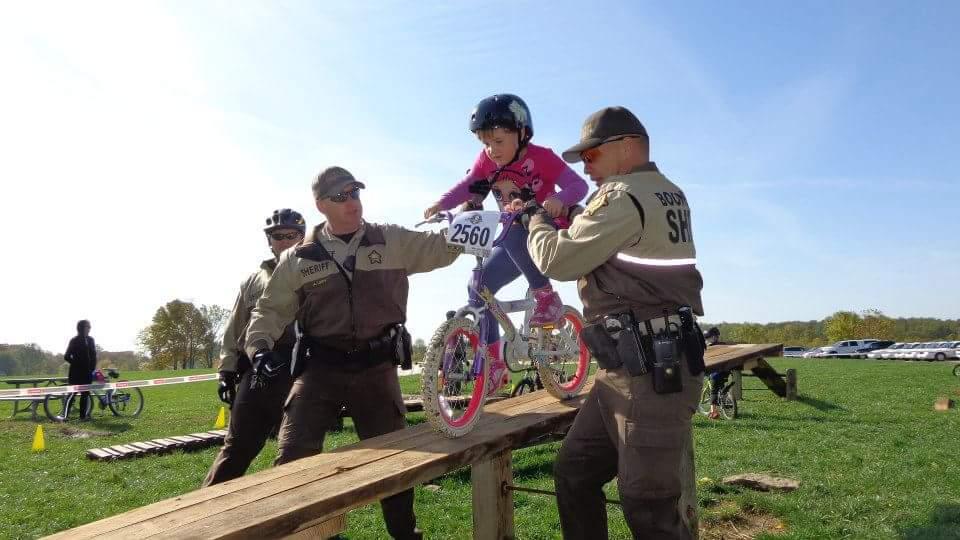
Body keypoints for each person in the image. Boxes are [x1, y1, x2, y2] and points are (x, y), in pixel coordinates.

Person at [244, 166, 461, 540]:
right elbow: (269, 310)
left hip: (376, 369)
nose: (352, 202)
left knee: (395, 464)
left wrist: (476, 217)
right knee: (292, 457)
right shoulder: (299, 257)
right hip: (321, 369)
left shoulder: (389, 239)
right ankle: (313, 535)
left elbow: (441, 248)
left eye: (355, 193)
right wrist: (259, 348)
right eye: (340, 197)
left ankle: (405, 535)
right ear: (321, 205)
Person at [522, 106, 706, 539]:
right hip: (629, 366)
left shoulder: (622, 195)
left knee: (649, 507)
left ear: (626, 148)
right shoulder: (665, 190)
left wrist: (537, 220)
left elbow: (557, 259)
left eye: (592, 155)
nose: (586, 167)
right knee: (575, 472)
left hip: (648, 373)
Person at [423, 93, 588, 395]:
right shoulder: (487, 161)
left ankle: (546, 296)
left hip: (543, 232)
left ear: (522, 134)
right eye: (486, 142)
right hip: (512, 236)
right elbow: (470, 185)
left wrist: (558, 200)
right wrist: (441, 203)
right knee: (478, 286)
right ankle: (495, 364)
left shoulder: (542, 157)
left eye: (499, 141)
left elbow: (580, 185)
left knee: (512, 224)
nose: (491, 150)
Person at [202, 208, 306, 487]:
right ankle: (203, 515)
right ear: (269, 241)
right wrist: (226, 371)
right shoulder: (252, 280)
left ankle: (302, 524)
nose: (284, 241)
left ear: (302, 237)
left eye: (291, 235)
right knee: (236, 447)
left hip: (304, 371)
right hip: (260, 370)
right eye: (277, 236)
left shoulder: (316, 271)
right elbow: (235, 326)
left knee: (295, 453)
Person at [62, 320, 97, 421]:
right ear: (81, 328)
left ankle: (83, 417)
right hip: (75, 373)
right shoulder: (74, 340)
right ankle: (65, 416)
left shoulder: (91, 340)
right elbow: (67, 356)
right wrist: (77, 364)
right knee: (72, 394)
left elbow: (93, 355)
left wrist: (92, 368)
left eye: (90, 327)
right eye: (87, 327)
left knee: (85, 395)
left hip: (87, 373)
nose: (89, 329)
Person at [702, 327, 729, 420]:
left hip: (715, 372)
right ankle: (726, 400)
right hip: (726, 371)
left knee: (713, 391)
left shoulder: (710, 347)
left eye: (707, 338)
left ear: (713, 337)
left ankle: (714, 412)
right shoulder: (724, 345)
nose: (706, 340)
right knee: (721, 386)